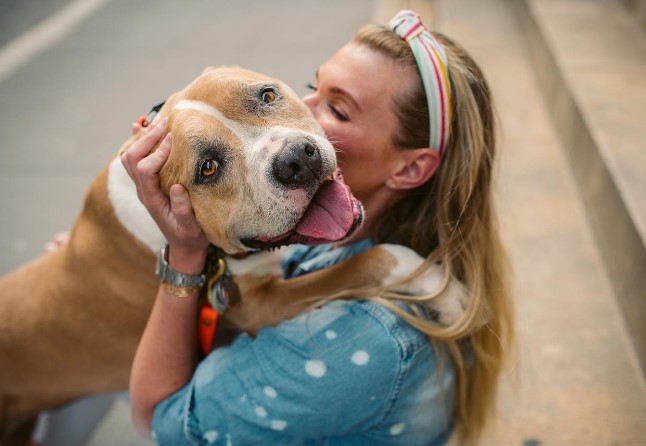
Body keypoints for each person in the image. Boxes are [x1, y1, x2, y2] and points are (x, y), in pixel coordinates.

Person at [124, 10, 514, 446]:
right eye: (309, 89)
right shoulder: (337, 237)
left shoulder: (358, 343)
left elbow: (160, 420)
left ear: (411, 168)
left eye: (338, 110)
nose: (296, 123)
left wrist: (183, 256)